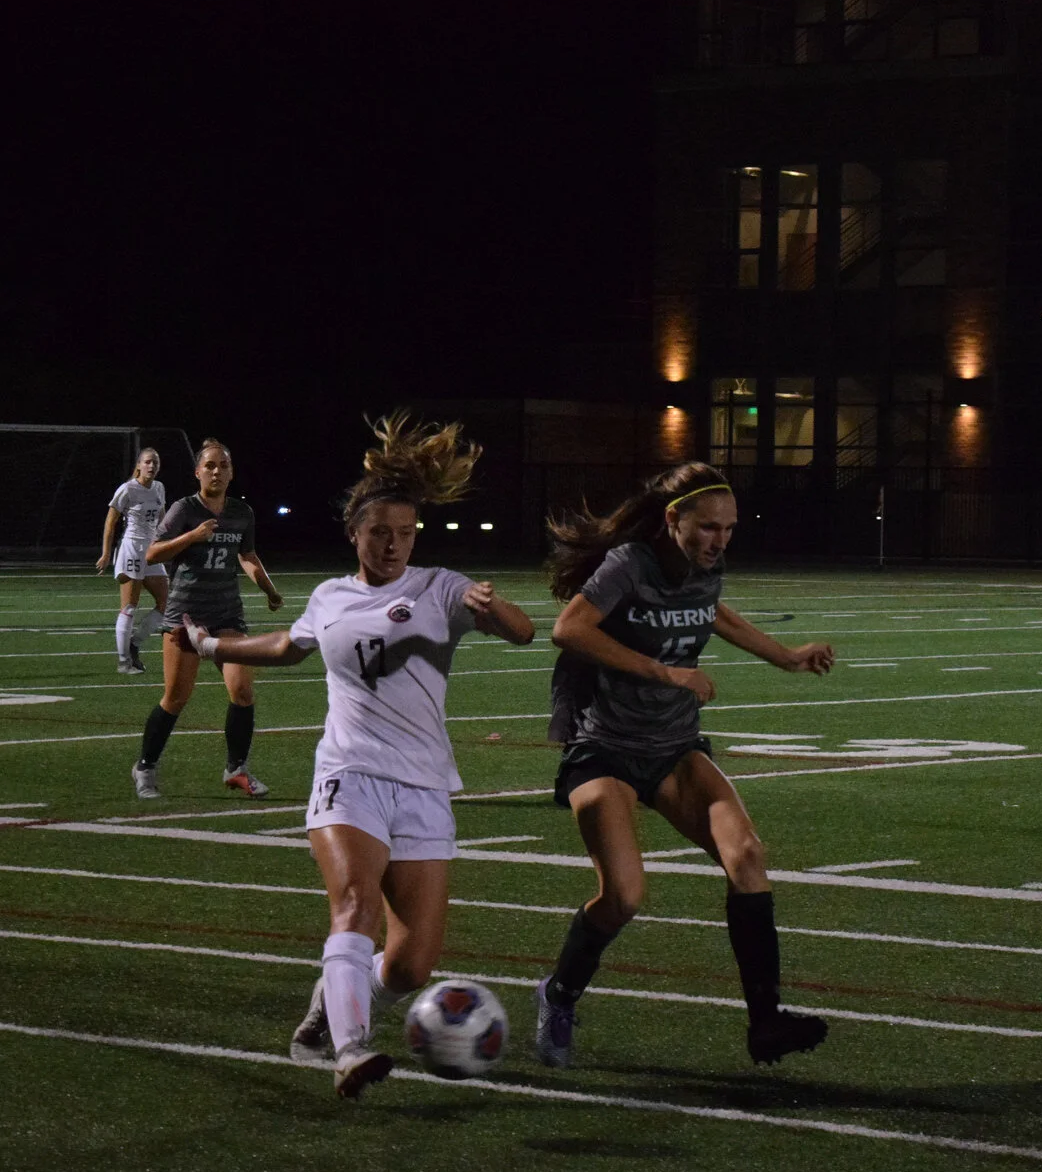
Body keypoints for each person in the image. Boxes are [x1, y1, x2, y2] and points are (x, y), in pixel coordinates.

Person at [185, 415, 533, 1097]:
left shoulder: (439, 586)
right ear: (355, 533)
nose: (393, 543)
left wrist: (490, 605)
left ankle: (334, 1000)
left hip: (424, 784)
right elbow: (288, 646)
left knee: (410, 966)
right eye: (380, 532)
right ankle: (350, 1049)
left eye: (405, 532)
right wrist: (213, 646)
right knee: (354, 906)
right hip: (349, 773)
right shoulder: (330, 596)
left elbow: (523, 633)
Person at [531, 461, 837, 1070]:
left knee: (746, 856)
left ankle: (765, 1023)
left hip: (674, 746)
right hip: (604, 748)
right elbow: (569, 629)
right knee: (623, 897)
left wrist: (785, 656)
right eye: (708, 527)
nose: (719, 540)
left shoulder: (705, 568)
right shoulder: (629, 564)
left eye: (729, 528)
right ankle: (558, 994)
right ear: (674, 518)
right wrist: (664, 672)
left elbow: (712, 610)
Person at [131, 438, 284, 801]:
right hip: (186, 616)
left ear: (231, 473)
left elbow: (247, 555)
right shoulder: (184, 509)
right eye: (210, 466)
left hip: (227, 614)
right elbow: (153, 553)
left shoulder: (241, 513)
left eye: (223, 466)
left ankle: (237, 769)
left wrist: (269, 590)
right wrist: (193, 536)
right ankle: (145, 766)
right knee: (176, 697)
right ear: (198, 472)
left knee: (242, 691)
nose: (216, 471)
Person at [98, 446, 170, 674]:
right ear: (139, 465)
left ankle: (134, 644)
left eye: (155, 462)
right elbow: (110, 521)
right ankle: (123, 662)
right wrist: (106, 553)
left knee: (166, 603)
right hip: (132, 549)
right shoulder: (127, 489)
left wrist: (168, 544)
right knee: (130, 605)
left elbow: (162, 521)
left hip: (151, 550)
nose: (152, 466)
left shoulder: (159, 488)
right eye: (147, 462)